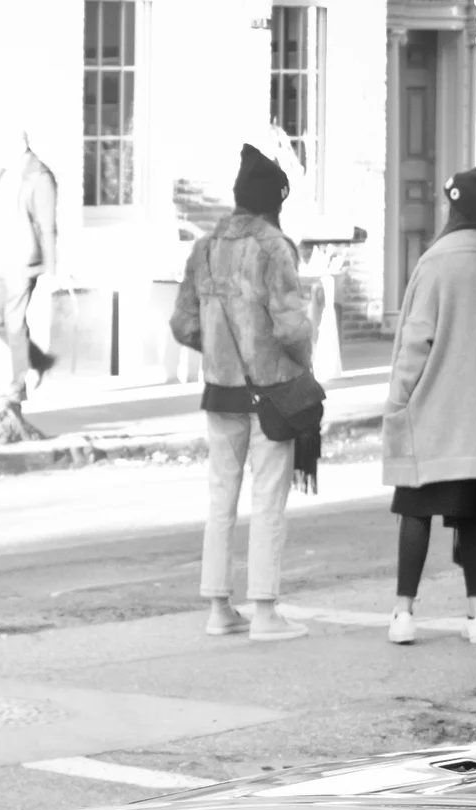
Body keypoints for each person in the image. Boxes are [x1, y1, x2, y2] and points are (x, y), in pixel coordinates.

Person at [170, 143, 316, 641]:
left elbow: (183, 323)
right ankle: (266, 612)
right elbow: (292, 328)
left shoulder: (205, 247)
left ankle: (218, 608)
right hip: (270, 392)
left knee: (220, 500)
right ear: (273, 200)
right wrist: (300, 366)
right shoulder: (274, 248)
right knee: (268, 500)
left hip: (220, 392)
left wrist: (218, 352)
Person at [382, 159, 476, 646]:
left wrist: (398, 402)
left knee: (415, 512)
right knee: (471, 517)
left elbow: (415, 343)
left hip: (433, 412)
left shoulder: (437, 264)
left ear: (454, 207)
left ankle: (404, 613)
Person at [0, 133, 60, 411]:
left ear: (22, 148)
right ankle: (37, 360)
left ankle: (18, 384)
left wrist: (52, 264)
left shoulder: (41, 177)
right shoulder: (2, 173)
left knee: (14, 320)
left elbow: (47, 224)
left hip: (22, 260)